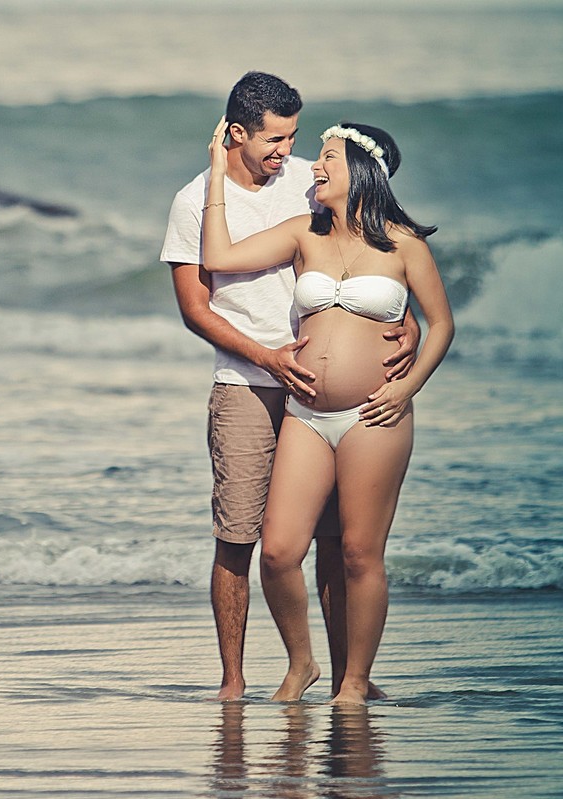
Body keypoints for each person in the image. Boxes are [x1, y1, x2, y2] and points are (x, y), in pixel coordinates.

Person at [160, 72, 419, 701]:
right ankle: (233, 681)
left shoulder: (310, 180)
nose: (286, 150)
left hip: (319, 396)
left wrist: (406, 319)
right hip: (247, 384)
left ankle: (348, 677)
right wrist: (268, 359)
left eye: (293, 136)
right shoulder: (194, 201)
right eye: (273, 139)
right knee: (240, 538)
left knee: (334, 541)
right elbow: (196, 309)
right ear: (236, 134)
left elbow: (374, 252)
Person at [201, 116, 454, 704]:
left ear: (361, 171)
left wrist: (409, 387)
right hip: (306, 416)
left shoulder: (405, 245)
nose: (314, 165)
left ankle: (355, 683)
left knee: (360, 553)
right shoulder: (304, 233)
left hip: (375, 418)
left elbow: (441, 323)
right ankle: (302, 663)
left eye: (328, 157)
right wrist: (216, 171)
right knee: (279, 551)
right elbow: (217, 256)